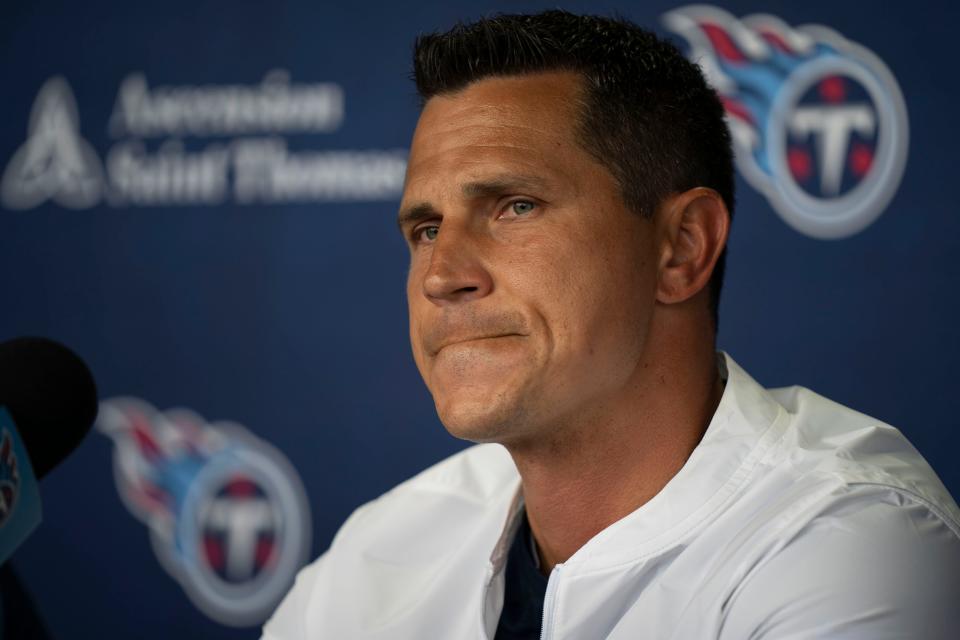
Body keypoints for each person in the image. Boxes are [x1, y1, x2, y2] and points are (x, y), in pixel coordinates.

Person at [263, 10, 960, 639]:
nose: (442, 275)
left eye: (515, 207)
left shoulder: (849, 541)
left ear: (681, 247)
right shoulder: (382, 548)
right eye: (424, 229)